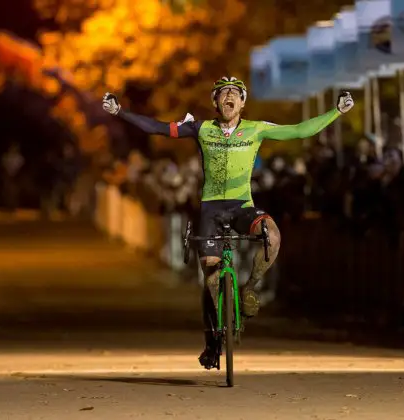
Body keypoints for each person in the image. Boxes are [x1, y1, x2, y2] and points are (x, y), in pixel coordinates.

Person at [102, 77, 355, 369]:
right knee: (211, 275)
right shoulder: (201, 129)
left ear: (243, 102)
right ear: (216, 102)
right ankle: (212, 343)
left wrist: (337, 111)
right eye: (224, 93)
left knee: (271, 235)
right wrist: (120, 112)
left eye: (235, 93)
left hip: (241, 207)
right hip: (210, 210)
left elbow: (299, 130)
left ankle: (250, 289)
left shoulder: (256, 129)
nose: (229, 96)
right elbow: (159, 128)